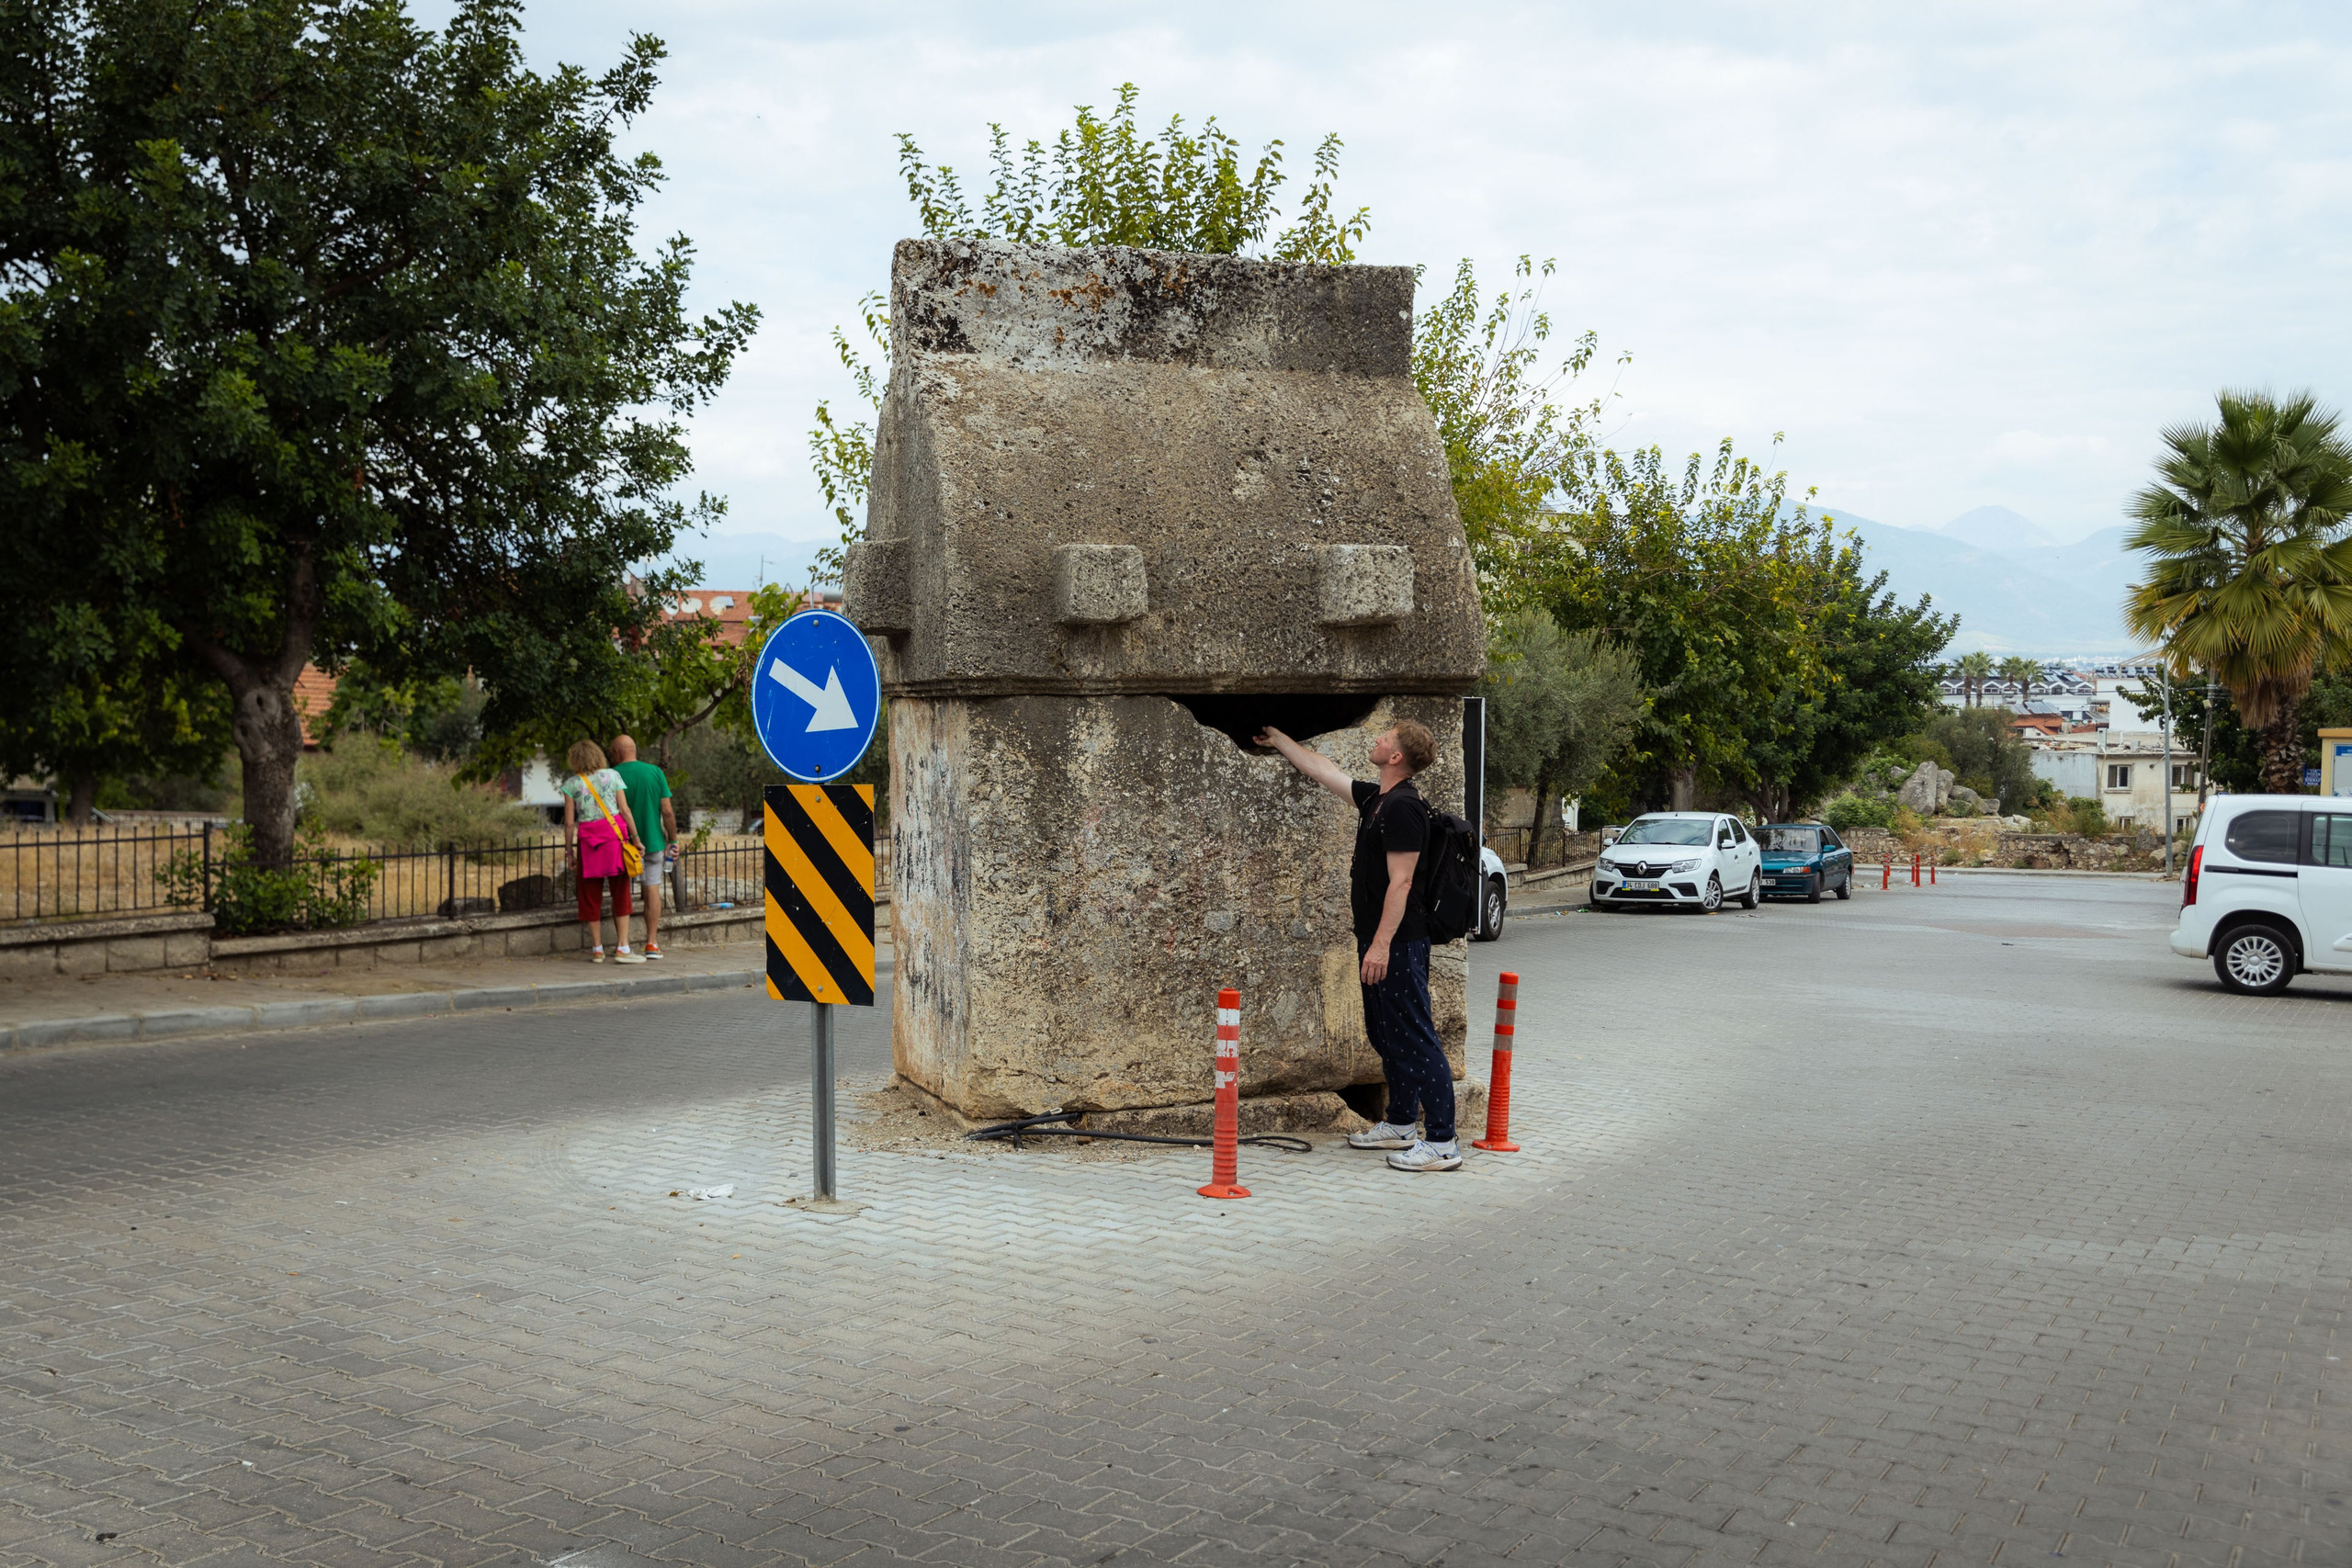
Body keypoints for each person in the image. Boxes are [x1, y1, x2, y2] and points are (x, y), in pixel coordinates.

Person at [1254, 717, 1460, 1172]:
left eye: (1385, 738)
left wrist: (1382, 945)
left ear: (1396, 757)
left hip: (1400, 942)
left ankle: (1443, 1142)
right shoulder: (1376, 800)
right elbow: (1322, 769)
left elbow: (1401, 883)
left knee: (1416, 1037)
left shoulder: (1405, 807)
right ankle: (1402, 1123)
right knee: (1386, 1034)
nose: (1377, 739)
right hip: (1378, 939)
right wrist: (1280, 737)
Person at [559, 739, 646, 964]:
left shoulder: (571, 784)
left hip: (588, 843)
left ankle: (597, 948)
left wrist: (569, 853)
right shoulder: (613, 776)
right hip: (614, 838)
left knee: (589, 895)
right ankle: (623, 947)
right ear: (598, 755)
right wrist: (635, 838)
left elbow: (569, 824)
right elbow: (625, 810)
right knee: (621, 891)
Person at [609, 733, 677, 959]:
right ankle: (651, 944)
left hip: (621, 845)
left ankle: (623, 945)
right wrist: (673, 840)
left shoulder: (611, 775)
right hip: (654, 842)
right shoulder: (655, 772)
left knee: (621, 893)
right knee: (652, 891)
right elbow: (667, 811)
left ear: (617, 753)